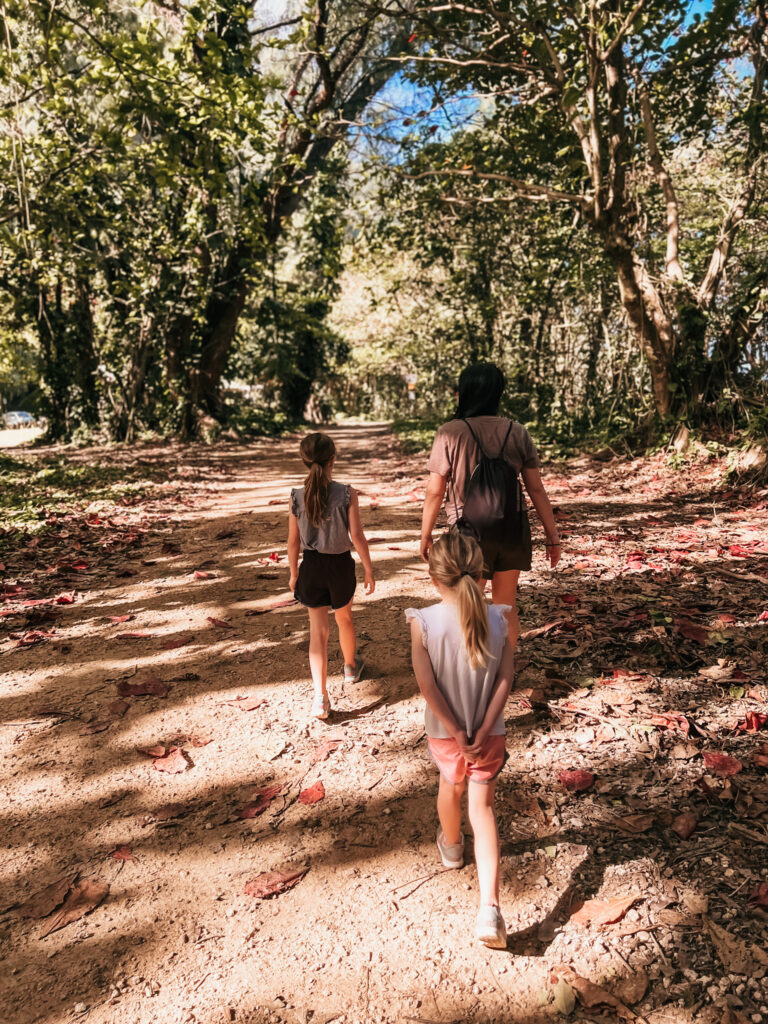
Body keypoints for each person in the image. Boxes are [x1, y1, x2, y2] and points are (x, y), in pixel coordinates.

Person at [405, 529, 514, 948]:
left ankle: (451, 847)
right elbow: (506, 678)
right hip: (490, 733)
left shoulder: (424, 622)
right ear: (482, 576)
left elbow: (427, 687)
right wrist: (484, 728)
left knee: (450, 786)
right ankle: (490, 909)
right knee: (482, 811)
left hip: (446, 735)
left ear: (435, 578)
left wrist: (456, 730)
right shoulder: (500, 619)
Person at [420, 362, 561, 649]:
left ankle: (468, 671)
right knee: (506, 607)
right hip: (512, 529)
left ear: (463, 393)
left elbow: (435, 492)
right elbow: (536, 488)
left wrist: (425, 536)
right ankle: (506, 671)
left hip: (467, 533)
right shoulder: (517, 431)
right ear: (499, 394)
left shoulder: (450, 432)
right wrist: (552, 536)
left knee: (465, 606)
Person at [287, 432, 375, 719]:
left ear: (303, 461)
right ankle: (350, 667)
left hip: (311, 567)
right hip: (339, 566)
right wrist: (369, 568)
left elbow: (292, 542)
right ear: (333, 460)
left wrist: (293, 573)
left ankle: (320, 698)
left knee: (318, 632)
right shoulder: (347, 493)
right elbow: (358, 536)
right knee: (344, 618)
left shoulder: (296, 497)